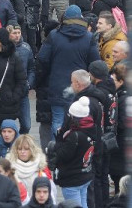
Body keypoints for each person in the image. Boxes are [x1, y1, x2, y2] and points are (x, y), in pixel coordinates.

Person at [36, 7, 100, 139]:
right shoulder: (89, 37)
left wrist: (43, 78)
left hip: (57, 85)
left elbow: (42, 59)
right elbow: (95, 63)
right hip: (80, 86)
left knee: (58, 120)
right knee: (79, 119)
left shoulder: (54, 35)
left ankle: (57, 147)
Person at [53, 98, 96, 208]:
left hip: (72, 178)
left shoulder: (74, 136)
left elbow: (63, 155)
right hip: (85, 174)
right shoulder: (91, 128)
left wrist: (58, 142)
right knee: (83, 207)